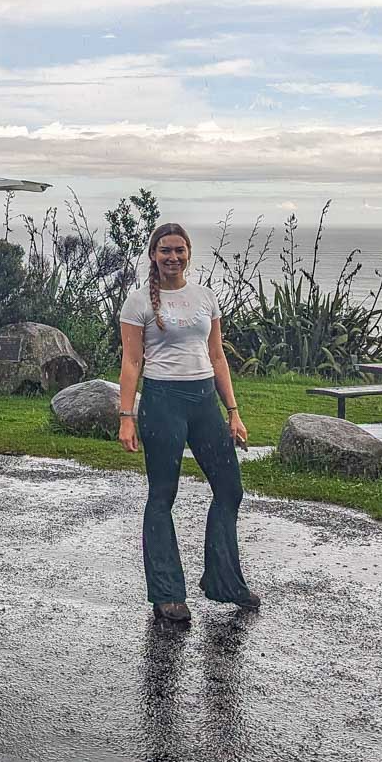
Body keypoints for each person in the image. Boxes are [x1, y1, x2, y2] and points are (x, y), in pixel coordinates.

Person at [118, 223, 260, 623]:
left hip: (203, 403)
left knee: (230, 489)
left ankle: (224, 581)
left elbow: (217, 357)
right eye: (165, 250)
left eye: (179, 250)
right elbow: (131, 362)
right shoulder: (138, 303)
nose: (173, 257)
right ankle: (167, 593)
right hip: (162, 402)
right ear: (153, 255)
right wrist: (126, 416)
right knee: (163, 495)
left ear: (188, 253)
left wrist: (233, 411)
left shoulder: (205, 297)